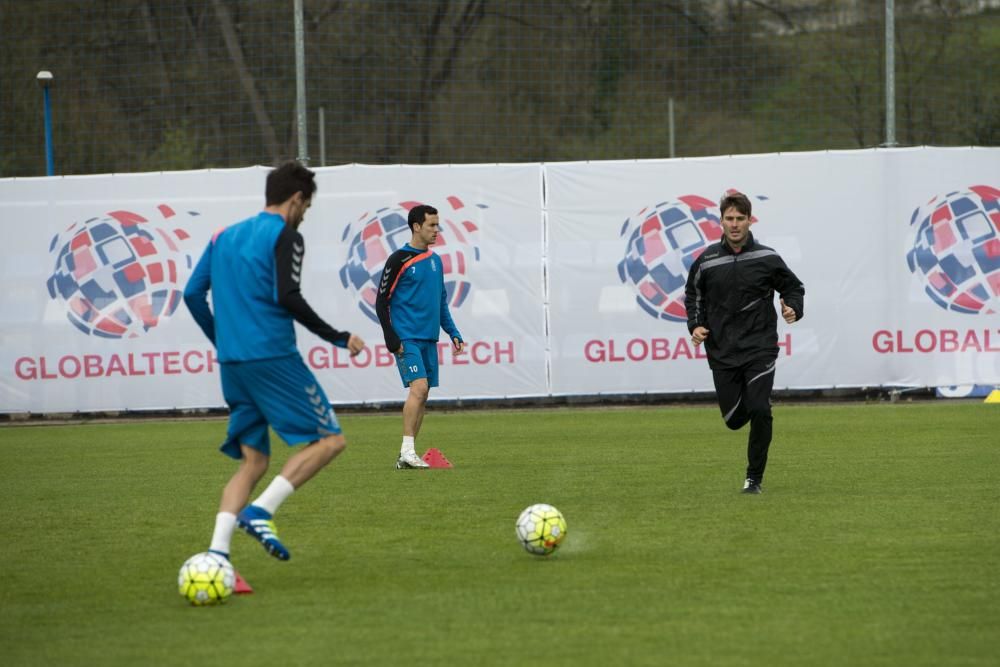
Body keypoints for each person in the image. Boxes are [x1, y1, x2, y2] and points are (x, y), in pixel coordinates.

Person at [183, 161, 364, 562]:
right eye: (306, 207)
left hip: (233, 365)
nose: (304, 216)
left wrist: (222, 339)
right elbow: (287, 295)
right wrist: (338, 336)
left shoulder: (222, 236)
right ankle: (261, 511)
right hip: (273, 357)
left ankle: (217, 555)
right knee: (330, 440)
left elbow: (193, 295)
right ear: (296, 199)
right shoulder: (285, 236)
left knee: (254, 462)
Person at [684, 191, 804, 494]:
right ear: (721, 221)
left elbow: (793, 287)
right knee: (735, 420)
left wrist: (791, 306)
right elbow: (693, 295)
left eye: (740, 219)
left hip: (760, 347)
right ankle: (749, 407)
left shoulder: (767, 257)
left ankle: (754, 478)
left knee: (760, 409)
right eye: (729, 219)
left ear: (750, 221)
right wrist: (696, 326)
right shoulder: (707, 261)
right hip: (722, 351)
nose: (735, 224)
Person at [375, 204, 465, 469]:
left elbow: (441, 304)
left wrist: (453, 332)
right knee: (420, 388)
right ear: (416, 227)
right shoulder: (399, 259)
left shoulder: (436, 261)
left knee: (423, 395)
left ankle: (406, 455)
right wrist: (391, 337)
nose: (437, 230)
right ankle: (407, 451)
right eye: (432, 225)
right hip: (406, 338)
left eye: (437, 225)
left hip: (429, 338)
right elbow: (381, 301)